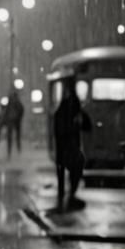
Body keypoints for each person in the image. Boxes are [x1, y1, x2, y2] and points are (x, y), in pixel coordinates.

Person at [52, 76, 91, 212]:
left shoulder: (63, 111)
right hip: (68, 148)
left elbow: (86, 126)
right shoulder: (67, 112)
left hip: (67, 148)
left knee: (71, 168)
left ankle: (67, 194)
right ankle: (69, 195)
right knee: (76, 166)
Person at [4, 88, 24, 157]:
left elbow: (6, 112)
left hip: (12, 121)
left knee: (12, 136)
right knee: (16, 136)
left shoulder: (11, 103)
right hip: (15, 121)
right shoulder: (17, 103)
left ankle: (12, 151)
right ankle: (17, 150)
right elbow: (22, 110)